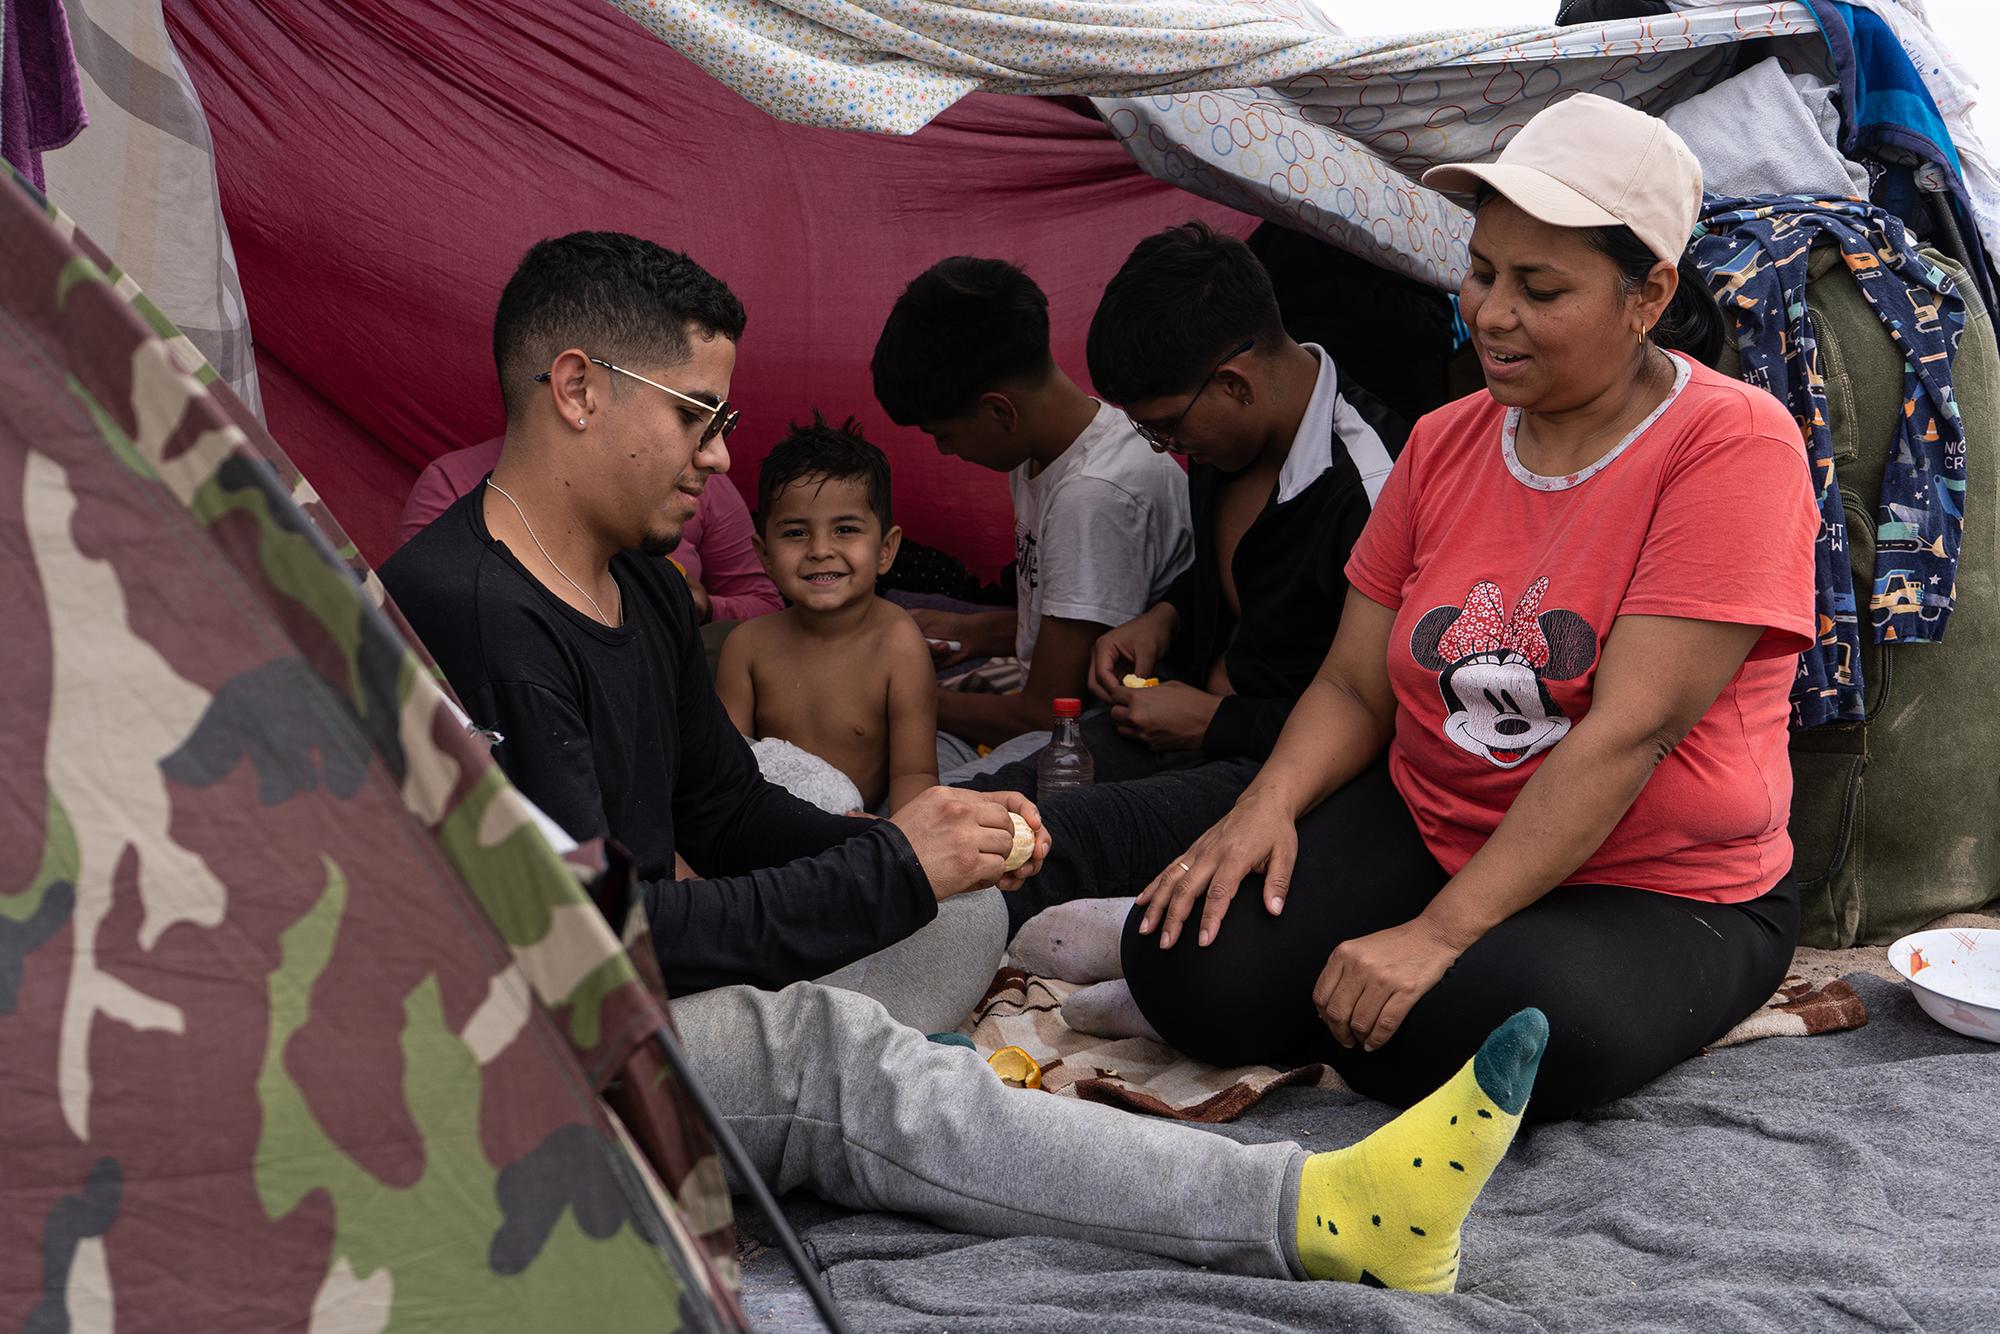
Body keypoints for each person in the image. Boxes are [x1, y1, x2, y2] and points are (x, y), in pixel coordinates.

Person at [380, 227, 1546, 1291]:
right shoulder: (466, 614)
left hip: (639, 972)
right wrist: (884, 869)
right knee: (825, 1051)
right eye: (698, 416)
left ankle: (923, 1085)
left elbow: (726, 805)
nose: (721, 461)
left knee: (933, 893)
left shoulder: (635, 572)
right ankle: (1319, 1210)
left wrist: (908, 851)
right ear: (578, 388)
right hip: (541, 1063)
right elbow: (596, 949)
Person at [1118, 94, 1817, 1122]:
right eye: (1482, 270)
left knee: (1490, 1030)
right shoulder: (1445, 441)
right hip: (1436, 818)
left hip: (1657, 879)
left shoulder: (1729, 446)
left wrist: (1440, 932)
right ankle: (1368, 969)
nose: (1491, 311)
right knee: (1182, 960)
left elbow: (1630, 731)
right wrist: (1261, 806)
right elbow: (1354, 682)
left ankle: (1436, 965)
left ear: (1647, 294)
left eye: (1538, 287)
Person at [962, 223, 1407, 935]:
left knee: (1052, 842)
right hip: (1194, 730)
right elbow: (1246, 574)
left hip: (1291, 780)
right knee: (990, 803)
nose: (1167, 448)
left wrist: (1215, 721)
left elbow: (1384, 713)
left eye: (1166, 431)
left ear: (1232, 384)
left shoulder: (1379, 488)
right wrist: (1166, 615)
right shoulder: (1225, 434)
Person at [870, 257, 1191, 761]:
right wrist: (964, 631)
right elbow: (1073, 620)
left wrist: (896, 697)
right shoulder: (1044, 444)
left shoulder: (1094, 496)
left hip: (1090, 732)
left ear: (1000, 411)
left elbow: (1047, 712)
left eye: (944, 435)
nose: (944, 452)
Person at [715, 414, 938, 813]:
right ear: (765, 555)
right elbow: (726, 768)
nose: (820, 549)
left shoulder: (898, 643)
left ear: (886, 549)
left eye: (845, 530)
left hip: (862, 836)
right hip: (770, 829)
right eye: (796, 533)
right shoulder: (747, 646)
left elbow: (914, 774)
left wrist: (900, 846)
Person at [397, 433, 783, 624]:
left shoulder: (698, 481)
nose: (716, 457)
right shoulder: (451, 484)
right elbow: (418, 627)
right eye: (686, 413)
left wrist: (701, 607)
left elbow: (766, 608)